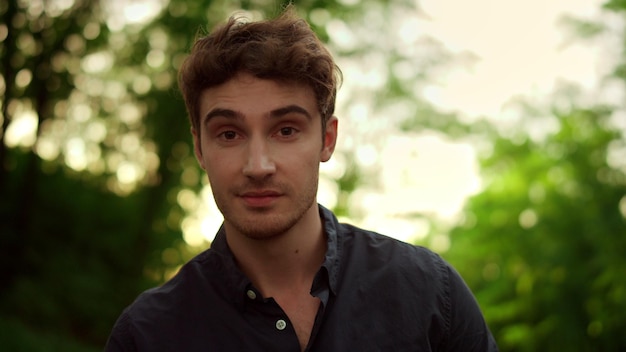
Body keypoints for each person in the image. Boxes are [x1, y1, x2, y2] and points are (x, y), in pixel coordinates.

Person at [105, 5, 498, 352]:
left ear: (327, 139)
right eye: (229, 134)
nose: (258, 165)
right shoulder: (147, 335)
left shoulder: (430, 294)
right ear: (200, 149)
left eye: (286, 130)